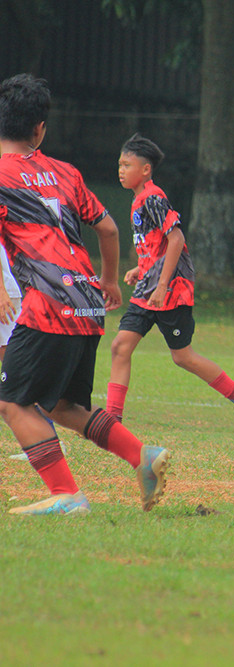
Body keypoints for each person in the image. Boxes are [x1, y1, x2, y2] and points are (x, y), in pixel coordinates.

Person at [0, 74, 168, 515]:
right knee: (61, 404)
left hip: (48, 304)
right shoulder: (66, 172)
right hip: (89, 303)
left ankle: (65, 495)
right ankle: (143, 456)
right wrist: (110, 281)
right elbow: (108, 228)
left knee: (12, 403)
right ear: (40, 129)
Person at [107, 133, 234, 442]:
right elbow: (158, 244)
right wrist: (141, 269)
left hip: (171, 290)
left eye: (127, 164)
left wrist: (162, 283)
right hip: (150, 289)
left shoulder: (153, 197)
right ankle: (112, 423)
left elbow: (176, 239)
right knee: (120, 346)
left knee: (183, 357)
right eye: (119, 164)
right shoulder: (138, 199)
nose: (121, 170)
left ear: (146, 170)